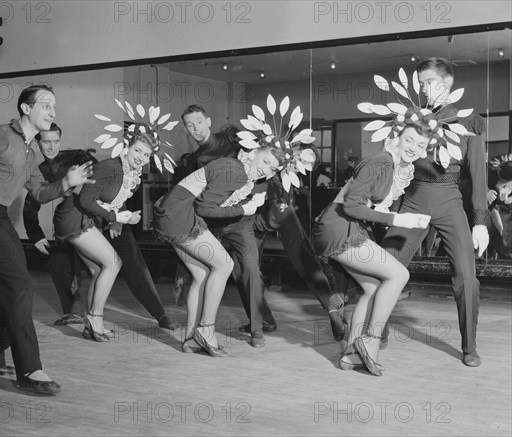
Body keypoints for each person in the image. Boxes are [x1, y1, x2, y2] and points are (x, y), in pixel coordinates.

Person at [0, 84, 93, 395]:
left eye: (55, 106)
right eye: (46, 105)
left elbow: (38, 192)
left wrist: (66, 182)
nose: (53, 111)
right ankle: (29, 369)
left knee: (9, 291)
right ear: (26, 108)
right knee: (19, 286)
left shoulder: (30, 149)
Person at [177, 104, 348, 341]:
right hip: (247, 215)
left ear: (207, 120)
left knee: (301, 255)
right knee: (246, 271)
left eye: (198, 121)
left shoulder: (234, 136)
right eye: (189, 125)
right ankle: (263, 321)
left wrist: (296, 155)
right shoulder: (199, 160)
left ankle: (330, 308)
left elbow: (273, 151)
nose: (195, 128)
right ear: (186, 129)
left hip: (273, 200)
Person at [381, 58, 489, 367]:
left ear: (447, 83)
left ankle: (469, 346)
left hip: (449, 199)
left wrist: (480, 221)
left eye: (428, 82)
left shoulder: (470, 121)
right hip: (413, 198)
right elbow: (396, 162)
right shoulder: (409, 119)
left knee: (467, 277)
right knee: (387, 264)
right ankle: (376, 330)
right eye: (420, 83)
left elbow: (477, 176)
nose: (423, 88)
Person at [315, 103, 434, 376]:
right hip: (339, 226)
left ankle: (349, 353)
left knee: (371, 288)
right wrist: (397, 219)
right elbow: (352, 207)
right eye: (409, 140)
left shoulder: (394, 167)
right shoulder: (381, 160)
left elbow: (365, 205)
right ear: (397, 138)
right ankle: (369, 340)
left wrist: (387, 213)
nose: (414, 147)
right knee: (398, 275)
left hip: (344, 227)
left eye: (421, 144)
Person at [54, 105, 179, 342]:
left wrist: (119, 216)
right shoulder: (111, 167)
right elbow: (85, 198)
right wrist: (116, 217)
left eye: (146, 155)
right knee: (113, 263)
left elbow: (110, 200)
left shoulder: (130, 173)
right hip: (73, 217)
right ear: (127, 147)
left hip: (85, 217)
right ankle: (95, 319)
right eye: (138, 151)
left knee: (97, 269)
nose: (141, 158)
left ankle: (90, 323)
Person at [154, 146, 282, 357]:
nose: (266, 170)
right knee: (225, 265)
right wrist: (243, 209)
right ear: (251, 153)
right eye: (265, 161)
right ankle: (206, 330)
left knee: (201, 274)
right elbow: (203, 208)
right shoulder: (237, 171)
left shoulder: (236, 168)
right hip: (180, 215)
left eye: (273, 168)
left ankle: (190, 339)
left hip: (173, 211)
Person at [23, 122, 91, 326]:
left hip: (95, 219)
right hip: (66, 224)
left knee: (88, 267)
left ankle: (91, 314)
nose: (52, 147)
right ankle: (74, 312)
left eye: (56, 141)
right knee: (57, 263)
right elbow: (32, 201)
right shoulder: (38, 168)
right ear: (38, 142)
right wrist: (36, 235)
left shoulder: (77, 156)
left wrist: (117, 215)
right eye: (46, 142)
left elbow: (106, 180)